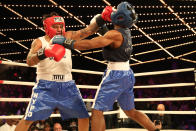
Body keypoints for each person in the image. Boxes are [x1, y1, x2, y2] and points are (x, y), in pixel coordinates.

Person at [51, 1, 160, 131]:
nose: (112, 12)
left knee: (97, 111)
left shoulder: (113, 35)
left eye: (115, 11)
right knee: (130, 111)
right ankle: (154, 129)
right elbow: (112, 42)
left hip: (115, 75)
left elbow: (90, 44)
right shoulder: (125, 32)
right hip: (127, 74)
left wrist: (67, 43)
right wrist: (103, 26)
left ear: (120, 17)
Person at [15, 10, 110, 131]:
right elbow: (29, 60)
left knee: (83, 116)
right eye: (55, 26)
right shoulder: (39, 41)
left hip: (68, 85)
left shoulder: (67, 36)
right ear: (47, 26)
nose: (59, 29)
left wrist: (102, 18)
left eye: (61, 26)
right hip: (45, 86)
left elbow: (88, 31)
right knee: (29, 119)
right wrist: (43, 53)